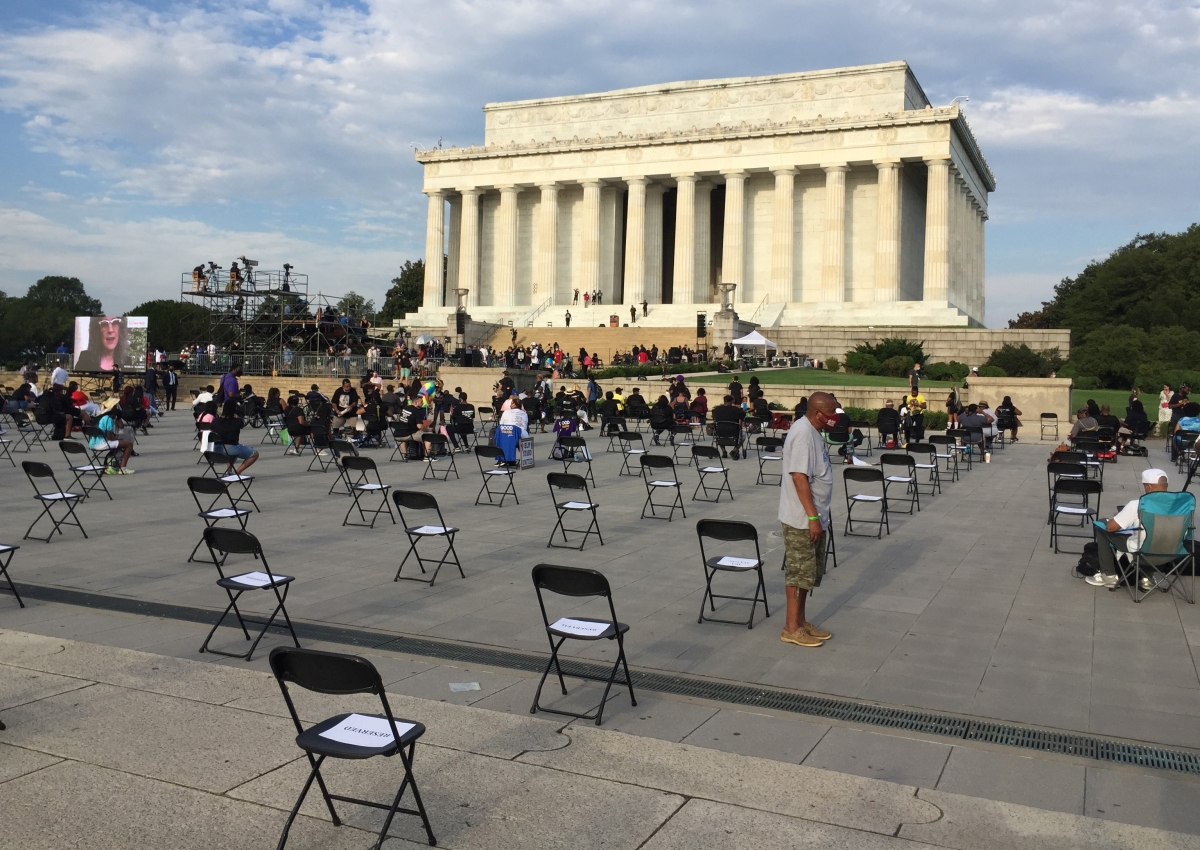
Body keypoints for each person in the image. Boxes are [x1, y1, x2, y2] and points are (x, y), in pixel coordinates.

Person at [779, 391, 836, 648]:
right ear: (817, 413)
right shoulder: (802, 434)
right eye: (830, 414)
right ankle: (791, 628)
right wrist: (813, 517)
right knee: (798, 572)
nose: (833, 418)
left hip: (813, 516)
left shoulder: (812, 431)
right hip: (802, 518)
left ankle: (801, 622)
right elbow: (799, 477)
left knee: (808, 573)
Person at [1086, 468, 1171, 589]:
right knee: (1149, 536)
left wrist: (1119, 518)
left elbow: (1111, 528)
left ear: (1148, 487)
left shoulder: (1137, 505)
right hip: (1171, 552)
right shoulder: (1180, 506)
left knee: (1102, 526)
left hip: (1142, 552)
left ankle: (1109, 576)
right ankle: (1147, 578)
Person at [212, 400, 259, 474]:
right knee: (254, 454)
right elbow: (242, 425)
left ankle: (229, 471)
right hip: (230, 448)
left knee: (234, 450)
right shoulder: (237, 421)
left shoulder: (215, 421)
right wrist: (237, 416)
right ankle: (237, 473)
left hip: (215, 449)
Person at [89, 398, 135, 474]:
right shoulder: (108, 418)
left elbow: (119, 427)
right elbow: (109, 436)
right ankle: (123, 468)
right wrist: (118, 439)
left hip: (92, 443)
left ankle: (114, 464)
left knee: (121, 442)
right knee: (129, 444)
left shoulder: (99, 415)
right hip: (101, 443)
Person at [711, 394, 746, 459]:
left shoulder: (717, 409)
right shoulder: (735, 410)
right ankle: (735, 450)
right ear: (732, 401)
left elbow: (714, 418)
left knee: (717, 436)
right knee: (743, 435)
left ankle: (723, 450)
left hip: (720, 430)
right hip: (733, 431)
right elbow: (743, 415)